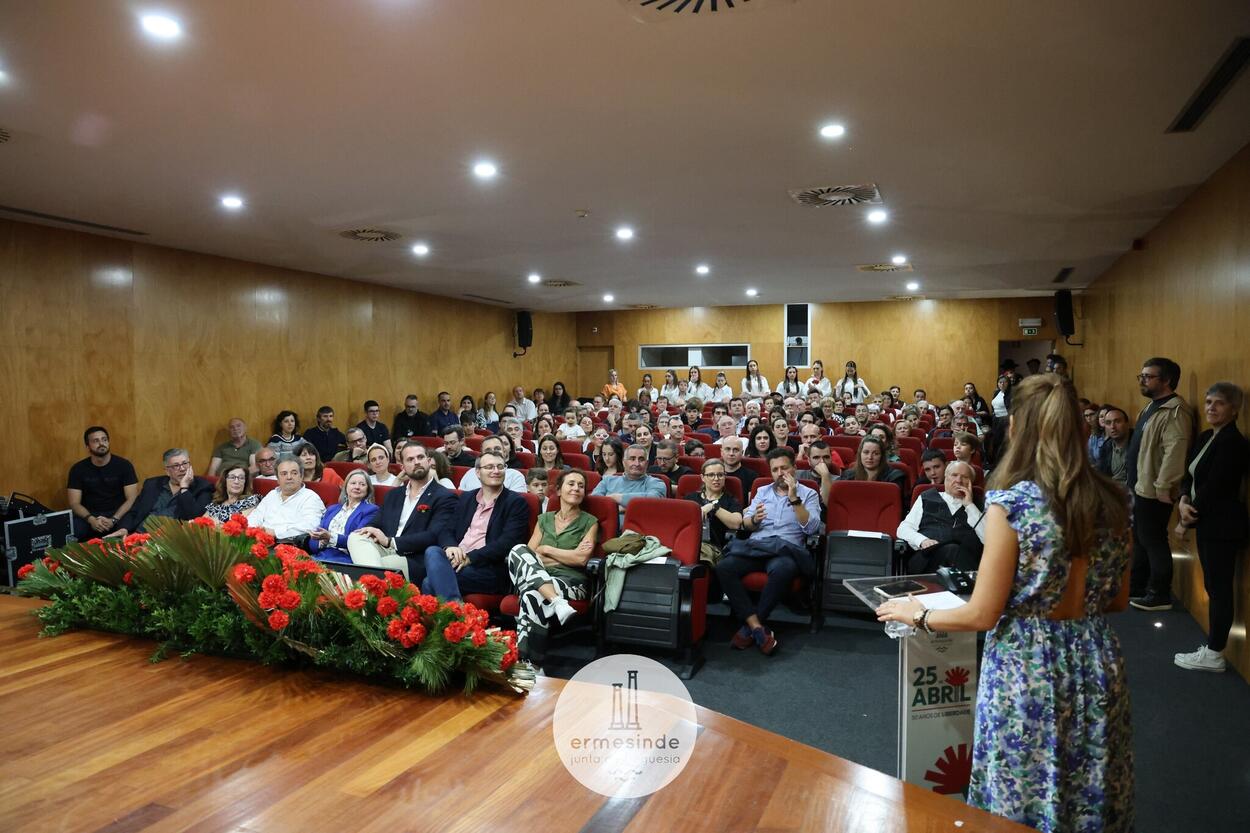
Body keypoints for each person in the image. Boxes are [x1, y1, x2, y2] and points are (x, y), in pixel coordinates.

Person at [876, 373, 1134, 833]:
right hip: (1095, 660)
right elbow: (1118, 600)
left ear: (1015, 427)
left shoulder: (1012, 504)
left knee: (1021, 789)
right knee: (1089, 785)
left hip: (1026, 664)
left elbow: (983, 613)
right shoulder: (1113, 499)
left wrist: (920, 614)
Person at [1172, 382, 1249, 673]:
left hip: (1222, 525)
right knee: (1213, 586)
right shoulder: (1207, 436)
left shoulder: (1233, 443)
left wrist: (1184, 521)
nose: (1211, 408)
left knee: (1219, 589)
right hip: (1205, 520)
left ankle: (1215, 653)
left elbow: (1215, 487)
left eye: (1219, 403)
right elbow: (1189, 476)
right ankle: (1213, 648)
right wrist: (1182, 499)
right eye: (1208, 402)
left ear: (1234, 409)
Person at [715, 448, 821, 655]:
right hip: (758, 547)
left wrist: (794, 499)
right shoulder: (762, 491)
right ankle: (757, 627)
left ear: (795, 468)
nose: (780, 473)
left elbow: (811, 529)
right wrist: (754, 520)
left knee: (782, 569)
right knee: (724, 567)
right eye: (775, 469)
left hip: (785, 550)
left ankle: (751, 626)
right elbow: (746, 524)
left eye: (784, 468)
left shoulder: (809, 493)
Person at [507, 469, 598, 662]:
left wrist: (547, 549)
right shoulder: (544, 519)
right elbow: (529, 554)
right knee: (517, 549)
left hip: (572, 582)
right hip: (542, 576)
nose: (576, 488)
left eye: (581, 486)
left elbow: (581, 559)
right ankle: (557, 603)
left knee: (531, 594)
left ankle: (526, 662)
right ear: (558, 490)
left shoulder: (590, 522)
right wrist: (567, 556)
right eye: (571, 484)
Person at [1127, 357, 1194, 611]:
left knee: (1153, 539)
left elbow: (1175, 450)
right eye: (1141, 376)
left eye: (1148, 376)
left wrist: (1164, 485)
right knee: (1141, 538)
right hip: (1140, 486)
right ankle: (1138, 586)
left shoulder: (1175, 410)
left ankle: (1159, 594)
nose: (1142, 380)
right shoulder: (1151, 407)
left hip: (1155, 490)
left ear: (1166, 380)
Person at [422, 451, 530, 599]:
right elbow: (447, 529)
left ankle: (454, 610)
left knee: (429, 583)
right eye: (489, 467)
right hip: (458, 561)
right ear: (478, 472)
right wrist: (451, 547)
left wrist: (470, 558)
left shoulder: (515, 502)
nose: (496, 471)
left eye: (500, 467)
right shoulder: (467, 498)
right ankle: (456, 609)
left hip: (489, 568)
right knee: (432, 551)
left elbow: (507, 543)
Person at [349, 444, 457, 579]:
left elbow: (434, 535)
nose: (416, 462)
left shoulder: (444, 496)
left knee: (379, 565)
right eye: (410, 459)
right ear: (403, 467)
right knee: (355, 537)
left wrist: (391, 542)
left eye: (420, 457)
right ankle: (376, 584)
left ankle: (374, 584)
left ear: (429, 461)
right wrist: (369, 530)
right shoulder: (394, 495)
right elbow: (376, 522)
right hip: (386, 548)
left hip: (414, 557)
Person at [897, 461, 985, 572]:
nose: (958, 480)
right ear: (946, 477)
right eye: (954, 475)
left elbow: (988, 538)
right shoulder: (926, 497)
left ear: (971, 482)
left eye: (965, 477)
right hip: (928, 560)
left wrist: (969, 505)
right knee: (952, 550)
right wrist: (922, 540)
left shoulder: (978, 505)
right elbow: (903, 529)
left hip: (966, 558)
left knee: (955, 550)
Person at [110, 448, 214, 537]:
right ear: (167, 471)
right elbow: (135, 512)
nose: (182, 469)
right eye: (176, 465)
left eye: (185, 463)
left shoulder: (203, 487)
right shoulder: (152, 485)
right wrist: (124, 528)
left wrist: (184, 488)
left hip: (169, 541)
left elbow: (195, 518)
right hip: (138, 536)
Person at [66, 426, 139, 539]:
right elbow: (74, 503)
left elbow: (132, 498)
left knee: (133, 524)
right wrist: (91, 520)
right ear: (87, 446)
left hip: (119, 514)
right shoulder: (78, 469)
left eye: (104, 439)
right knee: (73, 530)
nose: (101, 443)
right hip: (89, 516)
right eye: (96, 441)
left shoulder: (124, 465)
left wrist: (113, 520)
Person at [247, 454, 326, 543]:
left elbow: (311, 526)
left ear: (301, 476)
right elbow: (256, 516)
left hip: (287, 545)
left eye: (294, 473)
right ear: (277, 479)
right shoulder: (272, 494)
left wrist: (275, 532)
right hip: (260, 540)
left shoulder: (310, 498)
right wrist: (253, 530)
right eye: (284, 474)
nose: (289, 477)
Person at [307, 470, 381, 562]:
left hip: (345, 558)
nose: (357, 487)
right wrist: (320, 543)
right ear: (346, 487)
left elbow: (357, 541)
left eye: (362, 484)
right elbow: (316, 536)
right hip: (320, 555)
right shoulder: (332, 509)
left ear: (367, 490)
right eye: (353, 483)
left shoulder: (371, 510)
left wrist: (330, 538)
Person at [684, 458, 744, 563]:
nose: (716, 479)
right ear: (703, 477)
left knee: (697, 553)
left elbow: (736, 524)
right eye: (711, 475)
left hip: (714, 548)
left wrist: (713, 507)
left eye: (720, 475)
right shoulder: (690, 499)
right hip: (688, 542)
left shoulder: (730, 500)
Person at [592, 444, 666, 519]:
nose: (637, 464)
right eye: (632, 459)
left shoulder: (656, 483)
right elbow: (595, 502)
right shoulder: (607, 481)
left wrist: (615, 497)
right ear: (624, 462)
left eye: (641, 459)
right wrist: (628, 508)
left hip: (640, 526)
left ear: (647, 464)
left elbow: (654, 500)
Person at [838, 436, 906, 500]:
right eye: (866, 452)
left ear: (882, 456)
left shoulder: (894, 477)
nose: (870, 457)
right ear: (860, 454)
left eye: (876, 453)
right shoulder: (847, 475)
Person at [457, 435, 528, 493]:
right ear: (482, 454)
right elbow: (461, 500)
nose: (493, 453)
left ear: (504, 452)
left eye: (497, 449)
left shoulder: (515, 476)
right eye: (488, 450)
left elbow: (514, 503)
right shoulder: (470, 473)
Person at [1095, 407, 1132, 488]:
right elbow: (1102, 474)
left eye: (1117, 421)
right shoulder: (1105, 447)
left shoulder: (1138, 443)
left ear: (1127, 423)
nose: (1112, 426)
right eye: (1108, 423)